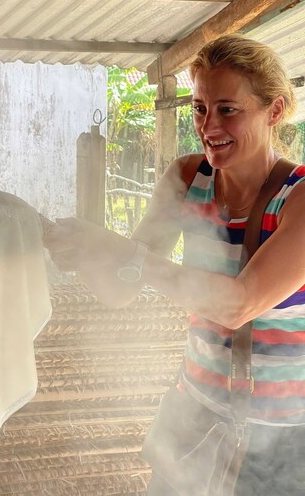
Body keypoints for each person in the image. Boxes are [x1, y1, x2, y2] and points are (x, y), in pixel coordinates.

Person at [45, 35, 305, 495]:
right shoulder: (189, 179)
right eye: (199, 107)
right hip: (192, 418)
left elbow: (236, 305)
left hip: (282, 441)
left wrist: (123, 252)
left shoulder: (298, 198)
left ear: (276, 110)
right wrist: (86, 251)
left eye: (228, 109)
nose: (208, 126)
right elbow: (121, 289)